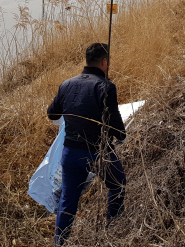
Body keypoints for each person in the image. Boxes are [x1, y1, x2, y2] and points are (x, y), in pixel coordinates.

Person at [47, 43, 126, 246]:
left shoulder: (66, 84)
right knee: (118, 185)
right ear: (104, 61)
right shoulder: (106, 86)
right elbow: (116, 126)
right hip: (96, 152)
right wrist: (120, 135)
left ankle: (60, 242)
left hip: (70, 153)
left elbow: (52, 114)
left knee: (68, 200)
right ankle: (113, 229)